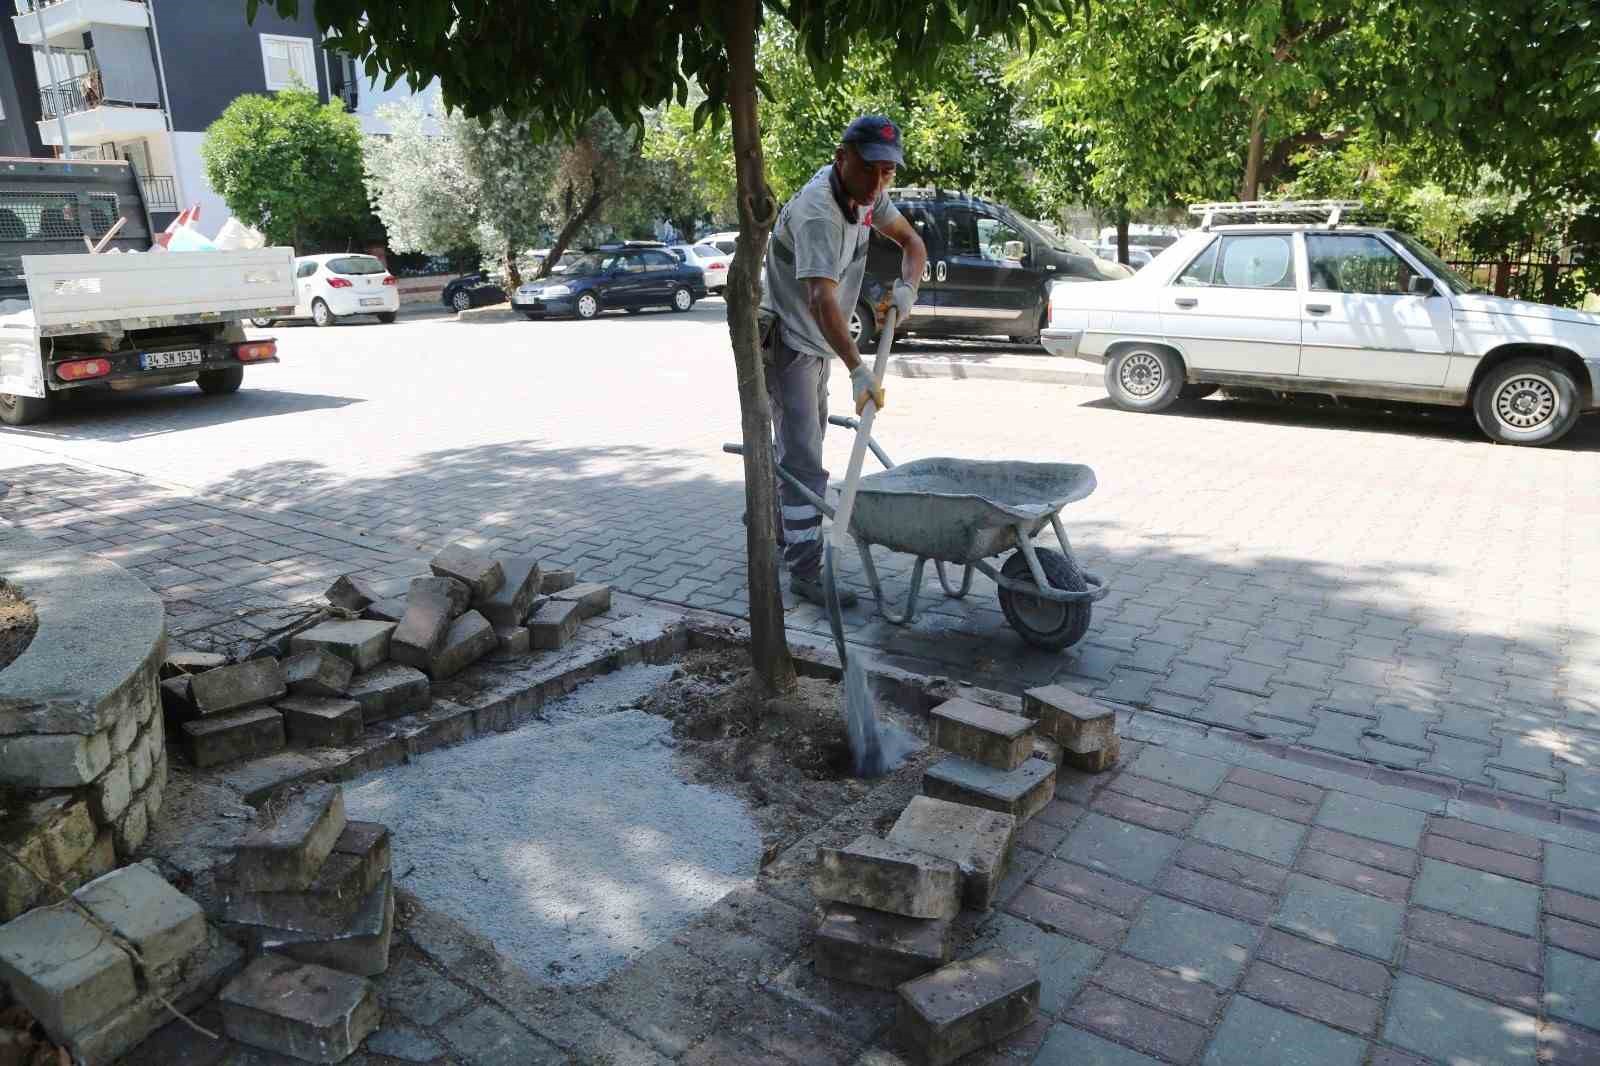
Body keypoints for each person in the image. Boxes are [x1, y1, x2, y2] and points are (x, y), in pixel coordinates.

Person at [758, 114, 928, 606]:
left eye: (888, 172)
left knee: (802, 443)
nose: (879, 181)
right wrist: (858, 368)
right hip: (790, 339)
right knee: (804, 456)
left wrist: (907, 291)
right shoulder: (819, 213)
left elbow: (912, 243)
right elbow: (820, 301)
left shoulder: (867, 197)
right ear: (843, 158)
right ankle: (806, 570)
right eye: (870, 168)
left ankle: (772, 520)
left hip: (817, 339)